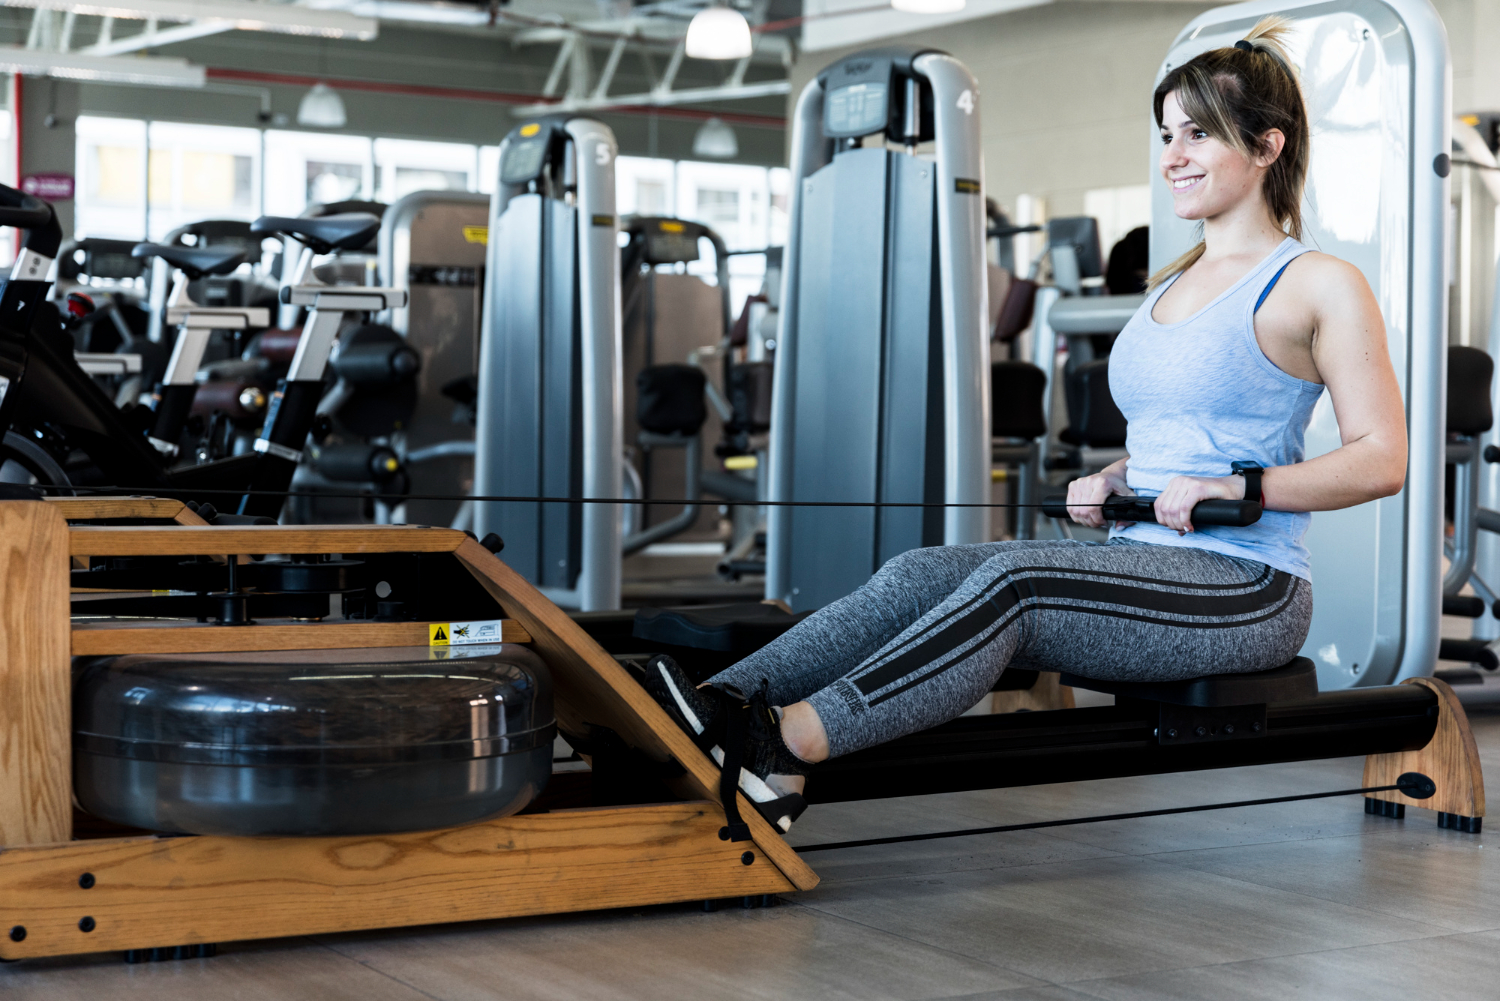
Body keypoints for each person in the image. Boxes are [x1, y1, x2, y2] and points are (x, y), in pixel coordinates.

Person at [640, 16, 1408, 834]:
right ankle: (716, 706)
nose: (1173, 155)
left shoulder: (1318, 281)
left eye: (1198, 134)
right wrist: (1118, 477)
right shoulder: (1169, 284)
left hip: (1246, 588)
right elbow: (1178, 438)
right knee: (918, 572)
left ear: (1266, 147)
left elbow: (1382, 458)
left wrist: (1242, 485)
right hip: (1143, 560)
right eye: (1166, 134)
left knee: (1016, 586)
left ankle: (782, 747)